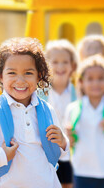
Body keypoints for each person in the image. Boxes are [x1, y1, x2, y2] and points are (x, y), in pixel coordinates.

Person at [0, 37, 69, 188]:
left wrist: (63, 143)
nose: (20, 80)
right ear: (0, 76)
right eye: (12, 73)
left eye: (28, 73)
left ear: (39, 75)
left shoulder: (47, 110)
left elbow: (61, 154)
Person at [65, 55, 104, 188]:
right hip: (81, 171)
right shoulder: (73, 109)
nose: (95, 83)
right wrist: (69, 136)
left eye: (101, 79)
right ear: (81, 83)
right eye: (90, 79)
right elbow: (68, 145)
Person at [44, 39, 78, 188]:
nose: (60, 66)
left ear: (73, 66)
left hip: (69, 155)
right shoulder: (40, 93)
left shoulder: (78, 93)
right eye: (55, 62)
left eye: (65, 62)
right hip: (45, 154)